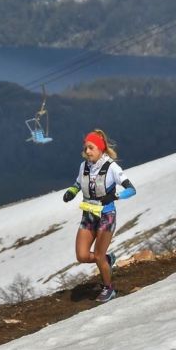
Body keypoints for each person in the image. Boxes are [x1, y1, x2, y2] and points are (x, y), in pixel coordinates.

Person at [62, 129, 136, 302]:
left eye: (91, 148)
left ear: (101, 149)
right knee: (81, 256)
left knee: (97, 255)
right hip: (88, 215)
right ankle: (108, 260)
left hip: (106, 215)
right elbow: (78, 183)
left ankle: (109, 289)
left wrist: (116, 196)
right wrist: (71, 192)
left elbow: (131, 189)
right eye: (86, 148)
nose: (87, 151)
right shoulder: (84, 166)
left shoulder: (111, 167)